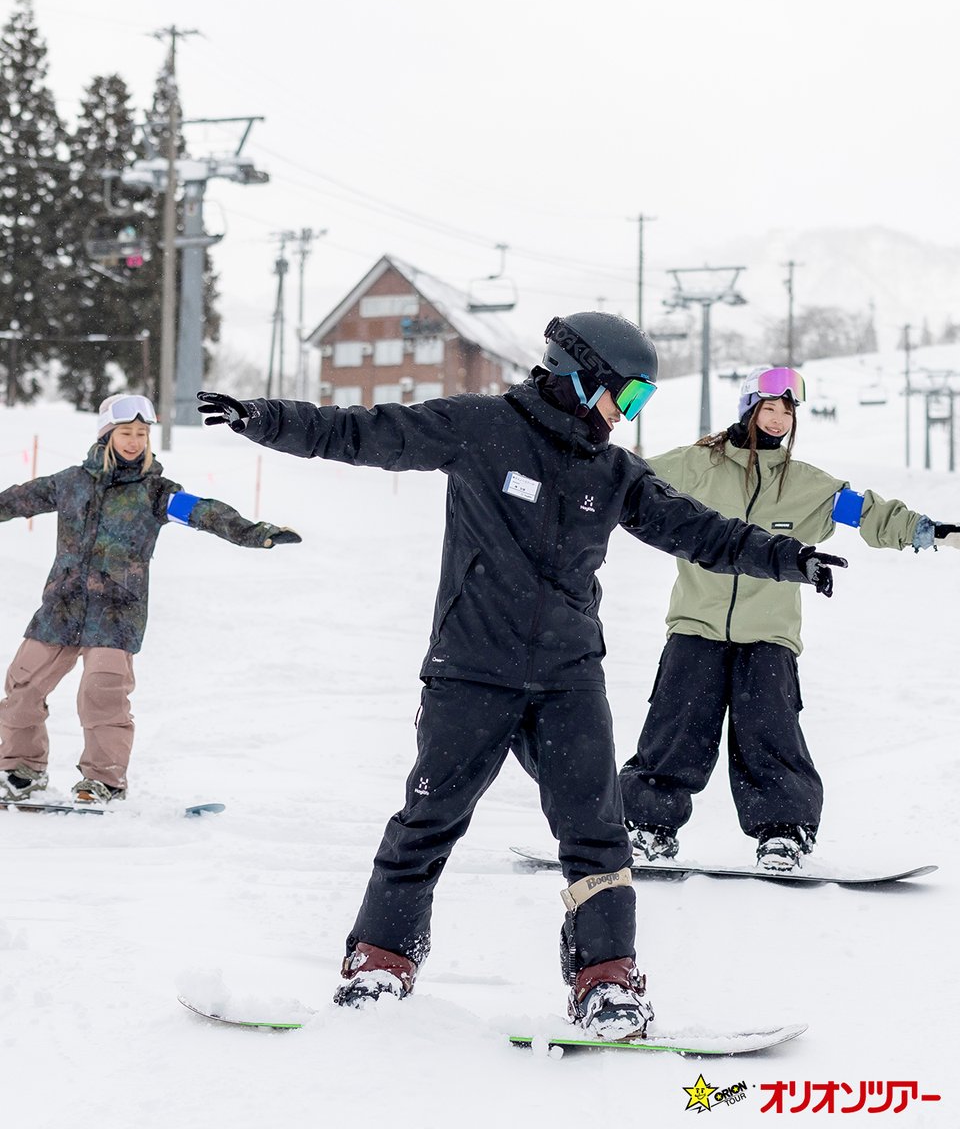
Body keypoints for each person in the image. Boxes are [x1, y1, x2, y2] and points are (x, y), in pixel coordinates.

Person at [197, 315, 845, 1042]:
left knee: (597, 834)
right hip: (470, 671)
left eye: (638, 405)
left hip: (569, 680)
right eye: (626, 397)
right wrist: (263, 419)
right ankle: (379, 964)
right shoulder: (481, 427)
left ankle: (607, 982)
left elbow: (701, 529)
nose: (626, 415)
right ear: (578, 376)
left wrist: (790, 558)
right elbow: (364, 432)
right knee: (427, 822)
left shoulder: (615, 471)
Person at [619, 365, 960, 873]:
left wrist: (931, 532)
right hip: (695, 625)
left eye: (787, 411)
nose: (779, 420)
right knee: (675, 733)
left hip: (770, 634)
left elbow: (868, 513)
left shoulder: (807, 487)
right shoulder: (695, 467)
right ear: (748, 408)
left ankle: (783, 833)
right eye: (770, 408)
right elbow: (625, 481)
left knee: (770, 735)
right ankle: (648, 828)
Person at [0, 393, 301, 807]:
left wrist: (253, 532)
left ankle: (102, 781)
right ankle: (20, 770)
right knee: (22, 685)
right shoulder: (69, 483)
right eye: (126, 432)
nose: (134, 441)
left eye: (142, 433)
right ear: (107, 435)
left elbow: (205, 512)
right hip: (61, 607)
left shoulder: (157, 493)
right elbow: (15, 500)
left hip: (116, 612)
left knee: (102, 695)